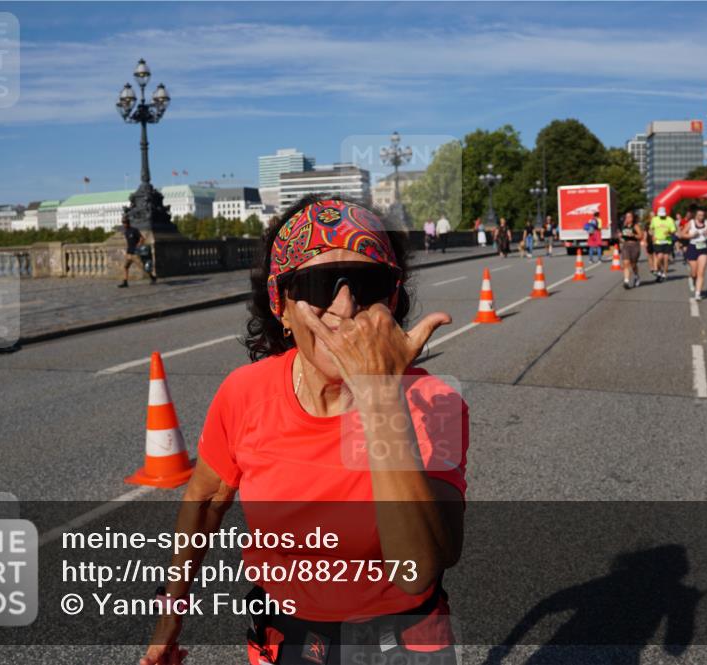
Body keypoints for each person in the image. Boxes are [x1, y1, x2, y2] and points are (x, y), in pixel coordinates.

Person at [139, 196, 467, 665]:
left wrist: (378, 396)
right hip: (286, 639)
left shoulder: (433, 401)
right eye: (316, 285)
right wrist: (170, 614)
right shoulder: (245, 392)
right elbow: (207, 499)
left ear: (391, 300)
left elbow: (417, 571)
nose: (344, 306)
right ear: (282, 306)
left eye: (367, 282)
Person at [679, 209, 707, 301]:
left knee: (701, 272)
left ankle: (698, 293)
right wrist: (691, 236)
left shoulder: (706, 223)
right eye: (699, 215)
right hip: (693, 247)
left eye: (702, 215)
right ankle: (693, 279)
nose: (701, 217)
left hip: (703, 248)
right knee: (694, 273)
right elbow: (682, 234)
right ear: (696, 216)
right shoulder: (691, 223)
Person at [119, 215, 157, 287]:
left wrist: (138, 245)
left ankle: (152, 277)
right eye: (123, 222)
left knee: (143, 267)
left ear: (128, 222)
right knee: (125, 267)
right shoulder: (126, 232)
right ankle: (125, 282)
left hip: (135, 254)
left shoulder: (134, 230)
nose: (124, 224)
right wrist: (126, 251)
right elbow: (128, 242)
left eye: (125, 222)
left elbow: (142, 238)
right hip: (129, 253)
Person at [648, 206, 676, 282]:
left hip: (667, 239)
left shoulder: (669, 220)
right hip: (658, 240)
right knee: (660, 257)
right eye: (660, 215)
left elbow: (673, 230)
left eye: (663, 215)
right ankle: (659, 270)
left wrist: (669, 232)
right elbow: (650, 229)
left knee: (666, 258)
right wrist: (652, 235)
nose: (662, 216)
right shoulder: (654, 219)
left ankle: (665, 273)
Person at [618, 211, 643, 289]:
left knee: (633, 264)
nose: (628, 218)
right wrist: (620, 237)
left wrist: (634, 235)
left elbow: (641, 236)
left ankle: (636, 276)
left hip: (634, 245)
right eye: (627, 217)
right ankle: (626, 281)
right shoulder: (623, 226)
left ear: (633, 218)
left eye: (630, 217)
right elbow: (621, 237)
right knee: (626, 263)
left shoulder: (635, 226)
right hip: (626, 245)